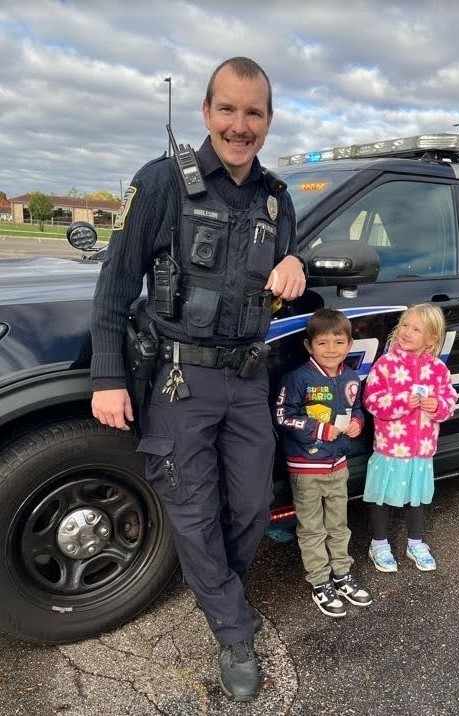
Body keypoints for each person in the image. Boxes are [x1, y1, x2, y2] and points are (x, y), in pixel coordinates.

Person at [89, 57, 306, 702]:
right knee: (192, 508)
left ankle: (218, 590)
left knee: (249, 506)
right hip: (179, 382)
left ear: (268, 120)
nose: (241, 126)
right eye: (229, 110)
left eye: (255, 113)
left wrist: (294, 261)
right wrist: (108, 376)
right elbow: (116, 283)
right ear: (207, 112)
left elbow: (281, 282)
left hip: (246, 381)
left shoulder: (277, 197)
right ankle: (233, 631)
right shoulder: (160, 183)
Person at [275, 308, 372, 617]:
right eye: (323, 343)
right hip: (306, 468)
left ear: (349, 344)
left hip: (338, 465)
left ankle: (342, 575)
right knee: (313, 529)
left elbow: (355, 408)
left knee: (339, 525)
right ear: (309, 346)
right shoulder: (297, 377)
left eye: (339, 342)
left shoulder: (351, 376)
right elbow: (282, 416)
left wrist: (357, 423)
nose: (332, 350)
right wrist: (318, 430)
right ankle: (320, 582)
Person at [362, 303, 457, 573]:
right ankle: (378, 543)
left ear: (432, 339)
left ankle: (415, 542)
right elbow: (372, 400)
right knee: (382, 497)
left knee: (415, 497)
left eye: (416, 329)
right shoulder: (386, 365)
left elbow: (450, 401)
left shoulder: (438, 369)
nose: (407, 332)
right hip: (391, 449)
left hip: (421, 450)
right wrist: (404, 401)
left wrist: (436, 406)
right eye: (405, 325)